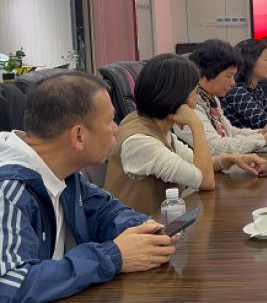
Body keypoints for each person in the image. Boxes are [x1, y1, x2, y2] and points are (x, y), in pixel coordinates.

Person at [0, 72, 179, 301]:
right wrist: (113, 256)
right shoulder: (8, 191)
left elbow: (104, 211)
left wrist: (145, 230)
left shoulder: (62, 171)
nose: (116, 129)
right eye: (109, 121)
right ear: (78, 136)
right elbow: (10, 286)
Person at [105, 54, 266, 215]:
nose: (197, 100)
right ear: (177, 98)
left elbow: (195, 164)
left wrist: (229, 159)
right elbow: (205, 181)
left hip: (162, 223)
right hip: (135, 229)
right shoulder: (140, 142)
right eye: (195, 92)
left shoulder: (156, 124)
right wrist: (196, 125)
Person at [174, 39, 267, 154]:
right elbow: (214, 147)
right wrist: (264, 139)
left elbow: (230, 132)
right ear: (208, 73)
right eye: (228, 76)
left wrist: (261, 132)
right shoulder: (190, 103)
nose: (233, 82)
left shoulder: (211, 98)